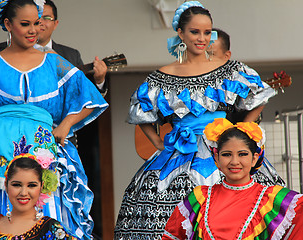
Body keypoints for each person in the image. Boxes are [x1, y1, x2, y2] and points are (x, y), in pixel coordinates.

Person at [114, 1, 283, 239]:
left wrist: (242, 128)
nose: (202, 38)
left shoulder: (229, 69)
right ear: (180, 33)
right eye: (195, 31)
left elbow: (260, 95)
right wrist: (158, 145)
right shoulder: (161, 76)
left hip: (224, 148)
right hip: (179, 154)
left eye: (207, 32)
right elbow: (140, 113)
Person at [0, 0, 108, 239]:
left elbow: (90, 98)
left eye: (37, 23)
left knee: (45, 207)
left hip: (44, 148)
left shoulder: (54, 62)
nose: (33, 30)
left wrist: (65, 124)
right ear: (8, 24)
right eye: (25, 24)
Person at [162, 118, 303, 239]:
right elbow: (171, 236)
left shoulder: (273, 199)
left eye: (242, 154)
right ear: (216, 158)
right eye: (227, 154)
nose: (234, 161)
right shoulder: (199, 198)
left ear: (254, 158)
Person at [0, 0, 108, 97]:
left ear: (55, 24)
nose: (41, 24)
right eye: (37, 19)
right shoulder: (6, 48)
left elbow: (81, 96)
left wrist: (99, 81)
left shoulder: (71, 55)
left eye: (47, 18)